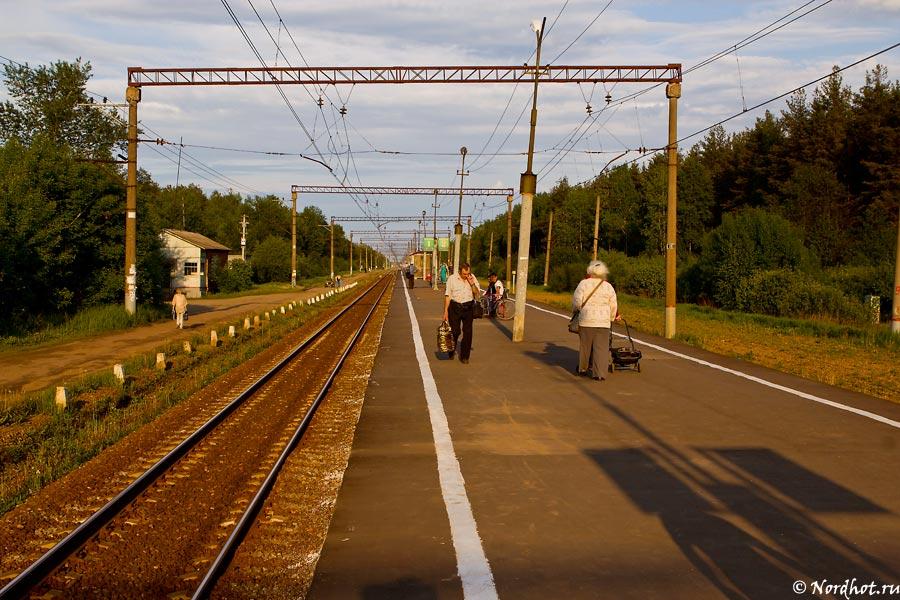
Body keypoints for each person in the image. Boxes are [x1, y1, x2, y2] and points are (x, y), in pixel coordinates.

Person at [572, 260, 619, 380]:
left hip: (586, 320)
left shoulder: (583, 284)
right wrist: (611, 317)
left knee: (585, 346)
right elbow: (613, 304)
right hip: (603, 322)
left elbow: (577, 301)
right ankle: (600, 374)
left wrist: (578, 310)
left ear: (590, 271)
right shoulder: (608, 286)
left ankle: (583, 368)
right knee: (602, 348)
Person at [442, 262, 481, 364]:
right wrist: (445, 311)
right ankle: (451, 350)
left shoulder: (472, 278)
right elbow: (447, 295)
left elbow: (477, 293)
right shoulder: (452, 279)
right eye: (464, 274)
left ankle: (465, 356)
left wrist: (472, 283)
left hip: (468, 307)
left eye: (468, 273)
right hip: (455, 307)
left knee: (468, 333)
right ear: (460, 272)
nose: (466, 276)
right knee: (455, 331)